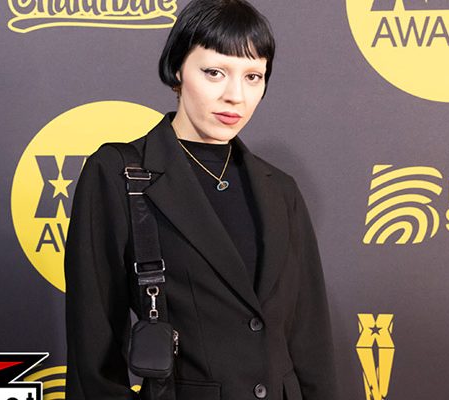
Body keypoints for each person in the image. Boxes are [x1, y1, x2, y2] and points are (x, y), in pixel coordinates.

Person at [64, 1, 337, 399]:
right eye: (214, 73)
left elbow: (310, 344)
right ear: (178, 69)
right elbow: (93, 354)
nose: (235, 96)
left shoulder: (281, 189)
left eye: (253, 76)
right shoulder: (118, 173)